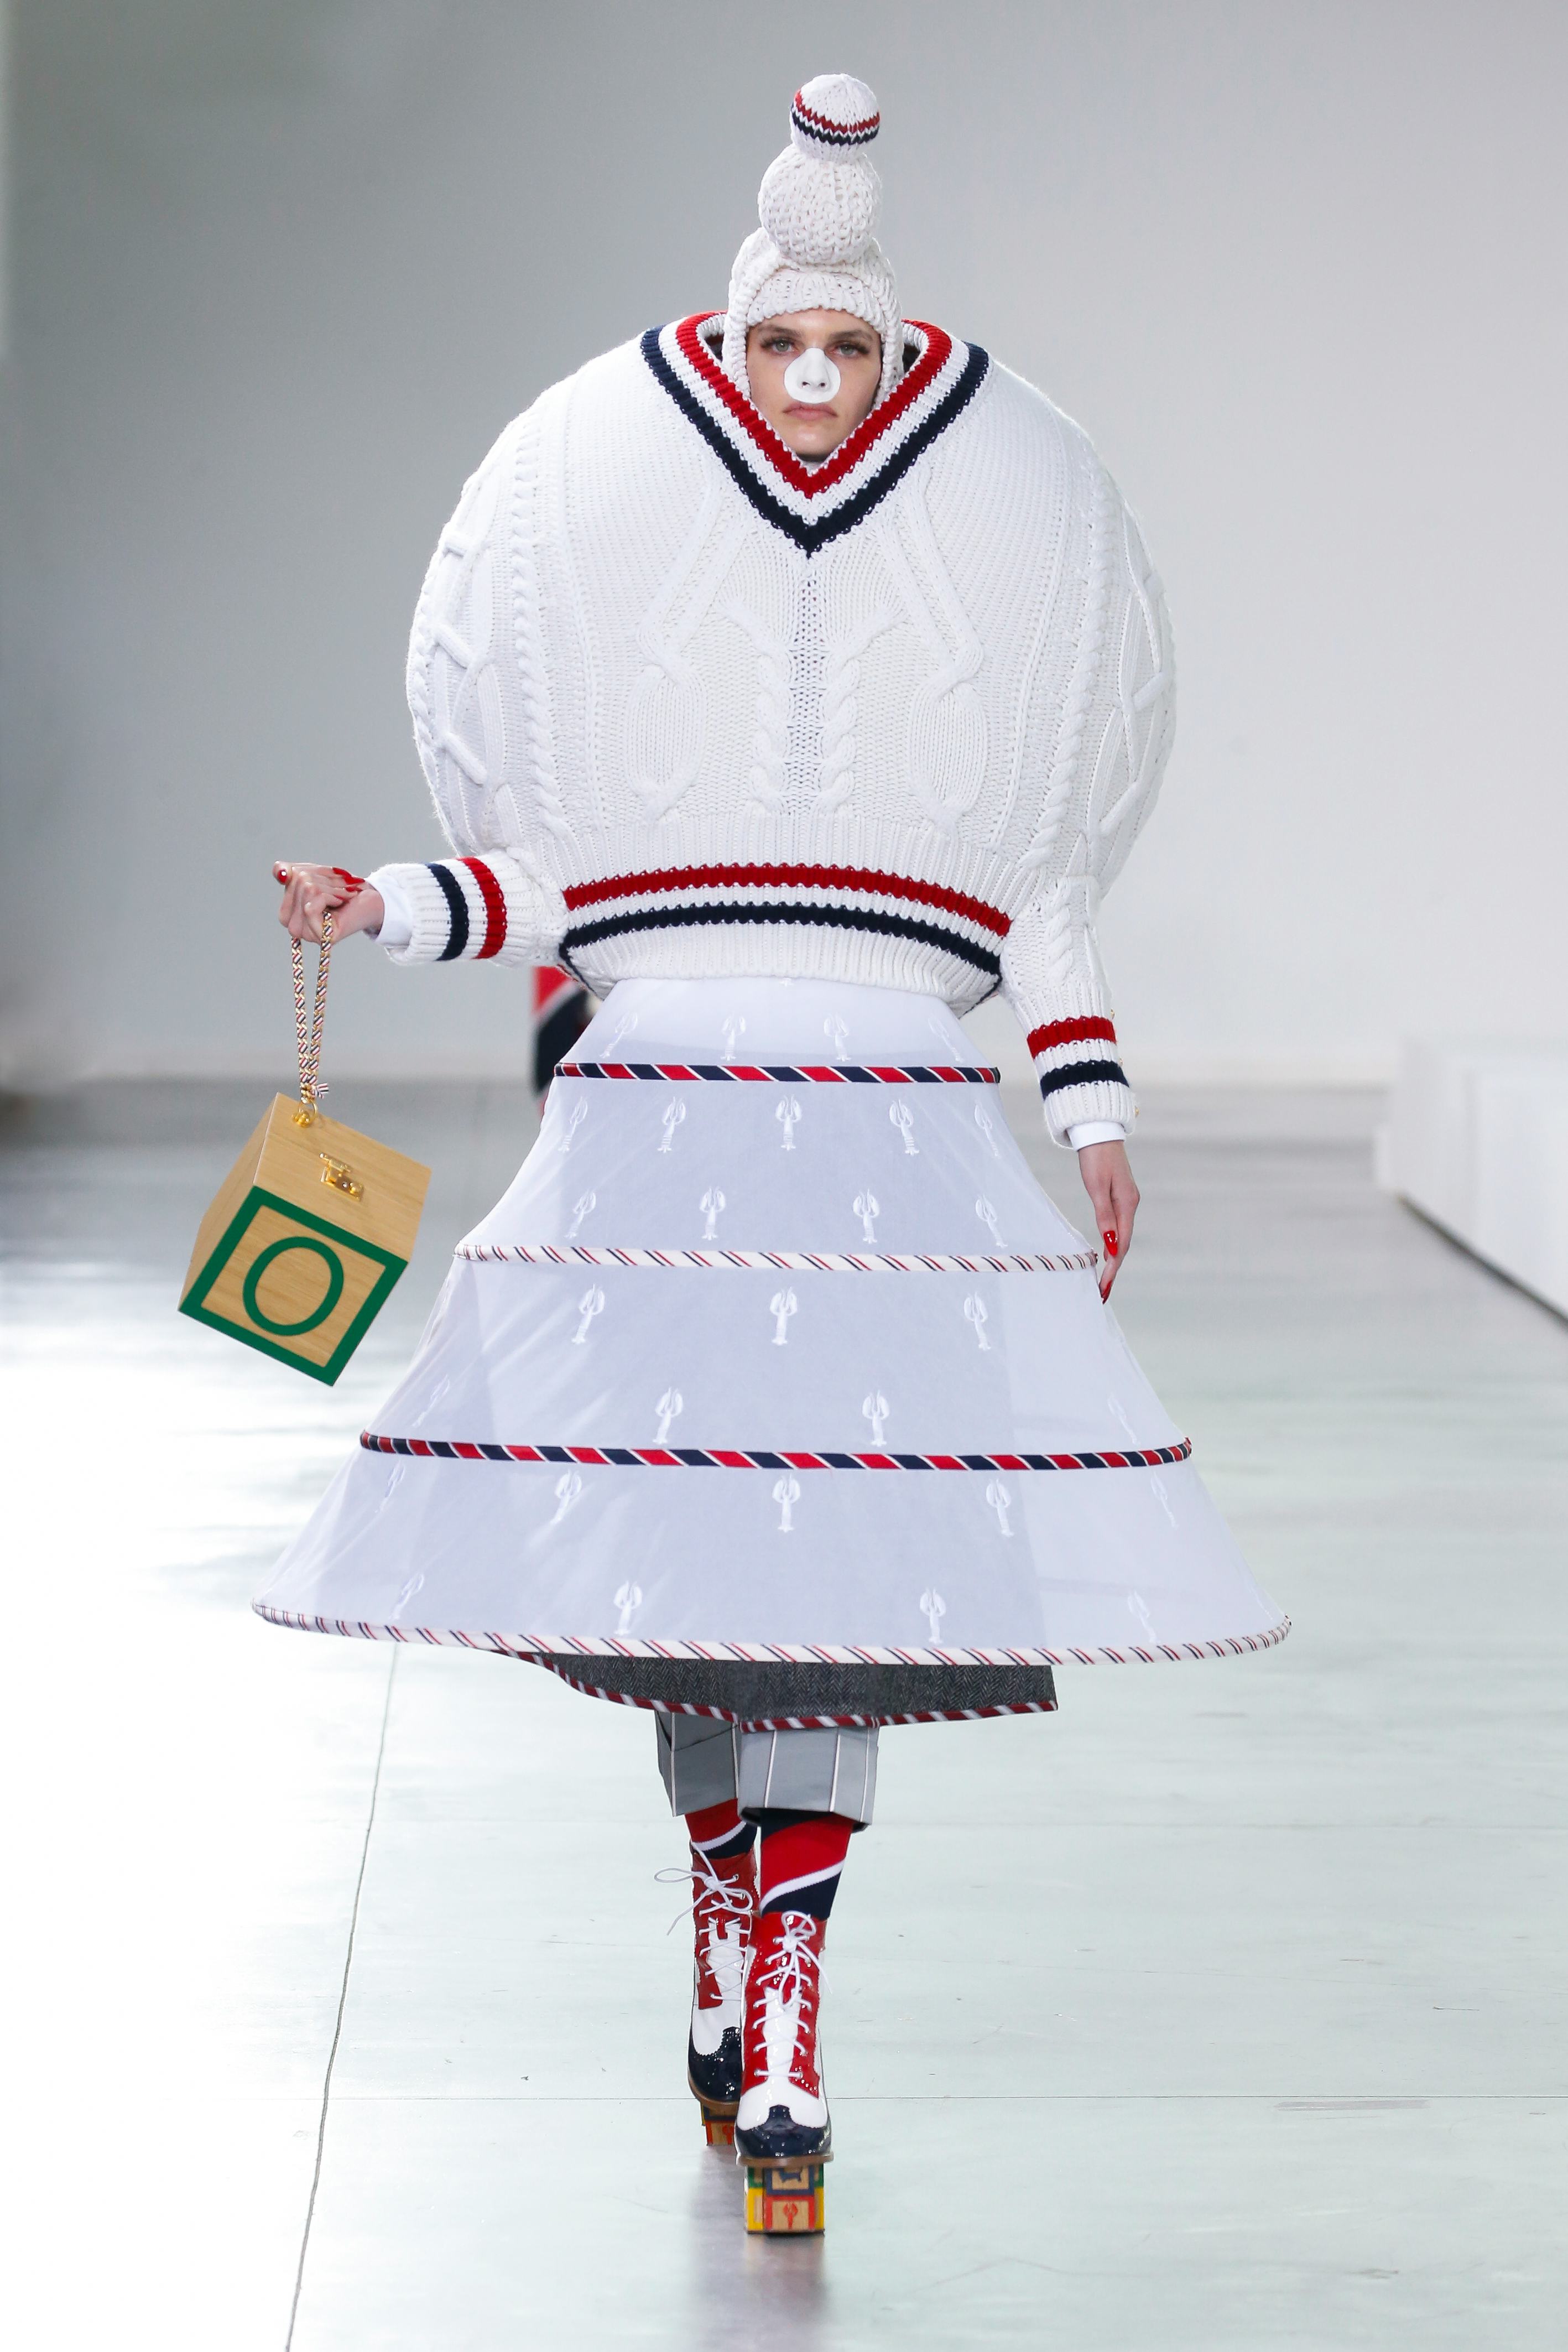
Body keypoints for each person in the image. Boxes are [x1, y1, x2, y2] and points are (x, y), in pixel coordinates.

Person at [262, 75, 1286, 2192]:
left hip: (891, 1157)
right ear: (732, 350)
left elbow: (1033, 908)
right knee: (695, 1575)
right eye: (782, 351)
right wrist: (381, 901)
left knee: (838, 1580)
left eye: (849, 352)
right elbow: (553, 882)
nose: (816, 386)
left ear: (893, 356)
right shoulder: (606, 507)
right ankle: (734, 1922)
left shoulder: (1007, 530)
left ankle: (788, 1999)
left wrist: (1088, 1113)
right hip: (662, 1152)